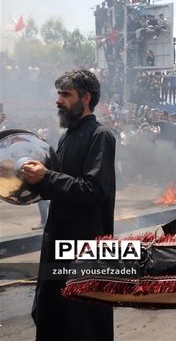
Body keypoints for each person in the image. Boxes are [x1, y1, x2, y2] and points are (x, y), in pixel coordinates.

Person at [21, 69, 116, 340]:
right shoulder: (66, 137)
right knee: (52, 315)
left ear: (85, 98)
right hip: (58, 241)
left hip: (85, 247)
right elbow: (59, 185)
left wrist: (47, 176)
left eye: (65, 94)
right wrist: (30, 178)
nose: (58, 101)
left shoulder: (100, 136)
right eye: (58, 94)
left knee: (82, 323)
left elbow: (94, 189)